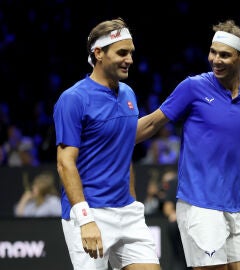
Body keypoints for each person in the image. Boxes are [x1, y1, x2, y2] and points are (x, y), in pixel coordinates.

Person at [136, 19, 240, 270]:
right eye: (213, 52)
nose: (216, 60)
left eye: (225, 55)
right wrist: (108, 139)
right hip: (198, 206)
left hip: (238, 209)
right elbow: (152, 123)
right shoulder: (192, 87)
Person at [53, 17, 160, 270]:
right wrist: (85, 219)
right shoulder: (73, 99)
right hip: (91, 213)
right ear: (98, 53)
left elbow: (124, 149)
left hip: (128, 213)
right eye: (122, 53)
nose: (130, 60)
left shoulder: (129, 93)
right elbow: (65, 163)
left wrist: (133, 201)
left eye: (131, 53)